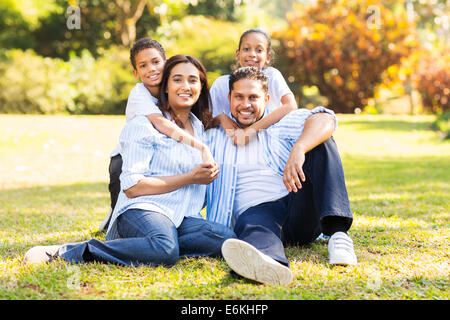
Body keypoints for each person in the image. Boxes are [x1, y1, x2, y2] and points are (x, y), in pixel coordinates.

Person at [23, 55, 235, 266]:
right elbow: (133, 187)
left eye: (193, 80)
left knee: (226, 239)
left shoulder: (199, 128)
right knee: (165, 250)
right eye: (177, 79)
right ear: (166, 87)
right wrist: (190, 178)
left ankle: (138, 246)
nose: (185, 86)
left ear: (201, 86)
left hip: (182, 217)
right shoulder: (144, 125)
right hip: (143, 209)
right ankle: (69, 251)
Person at [205, 67, 356, 286]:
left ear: (266, 99)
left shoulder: (278, 125)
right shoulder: (214, 137)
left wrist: (299, 148)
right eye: (239, 97)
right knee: (253, 224)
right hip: (257, 212)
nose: (245, 104)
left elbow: (325, 119)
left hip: (296, 203)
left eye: (253, 97)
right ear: (229, 98)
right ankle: (269, 263)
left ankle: (338, 233)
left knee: (321, 141)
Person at [103, 38, 215, 230]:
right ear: (135, 73)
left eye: (156, 62)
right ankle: (114, 223)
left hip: (148, 156)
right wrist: (199, 145)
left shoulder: (175, 88)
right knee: (124, 205)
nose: (151, 69)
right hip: (122, 159)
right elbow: (162, 124)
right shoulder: (140, 94)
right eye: (143, 66)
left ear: (166, 63)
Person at [210, 28, 298, 146]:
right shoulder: (221, 83)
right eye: (246, 49)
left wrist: (251, 131)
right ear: (238, 54)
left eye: (259, 50)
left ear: (267, 57)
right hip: (232, 143)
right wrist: (221, 118)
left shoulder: (272, 75)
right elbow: (205, 115)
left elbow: (291, 106)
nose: (252, 54)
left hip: (269, 140)